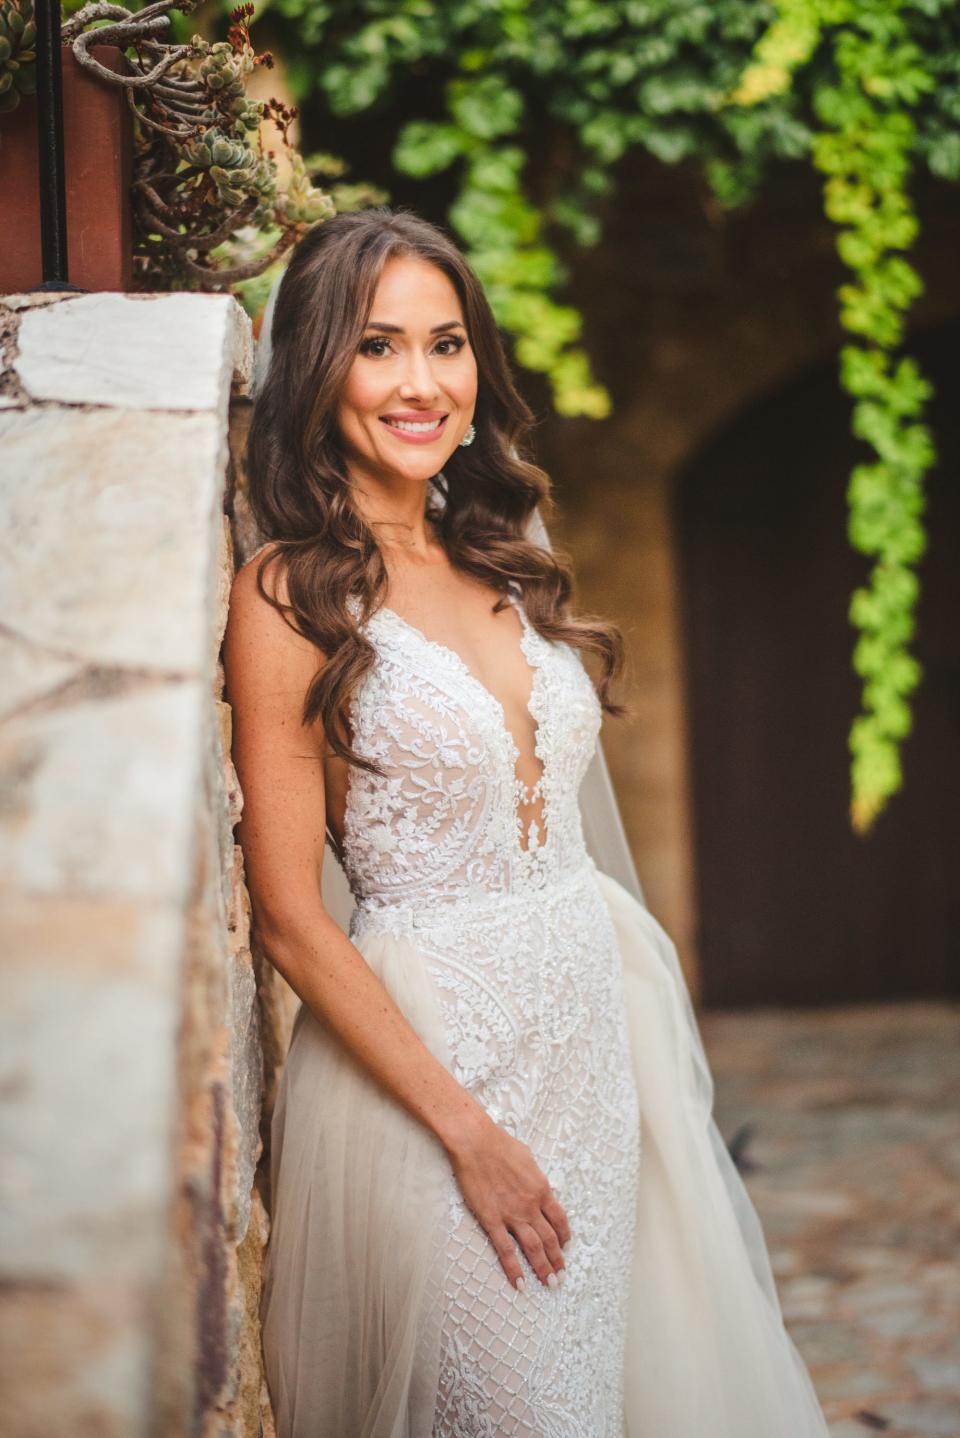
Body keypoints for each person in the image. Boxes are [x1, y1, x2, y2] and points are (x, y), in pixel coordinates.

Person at [224, 207, 833, 1437]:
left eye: (446, 345)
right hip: (437, 1070)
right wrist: (469, 1133)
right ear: (317, 367)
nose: (422, 382)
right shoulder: (290, 592)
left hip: (596, 1050)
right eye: (378, 344)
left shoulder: (498, 559)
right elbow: (290, 917)